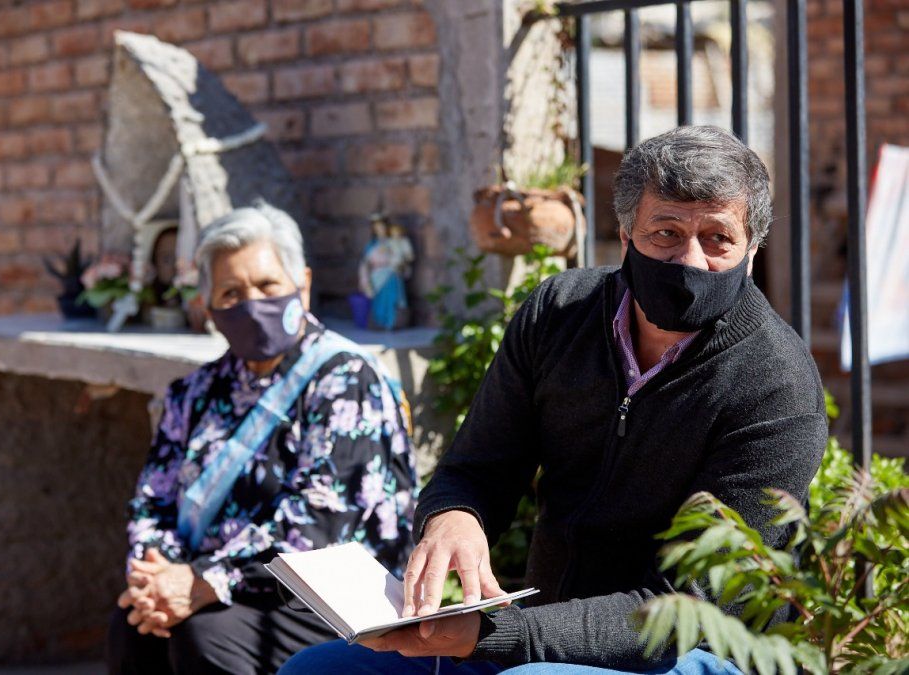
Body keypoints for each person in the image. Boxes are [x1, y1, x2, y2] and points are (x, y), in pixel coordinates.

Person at [280, 126, 827, 674]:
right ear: (625, 234)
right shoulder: (559, 311)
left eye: (718, 238)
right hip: (549, 630)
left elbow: (693, 610)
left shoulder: (776, 383)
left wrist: (496, 635)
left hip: (699, 652)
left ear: (751, 251)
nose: (690, 260)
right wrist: (453, 517)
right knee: (319, 670)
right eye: (665, 232)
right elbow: (476, 467)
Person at [108, 201, 418, 675]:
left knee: (208, 637)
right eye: (231, 293)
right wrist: (159, 577)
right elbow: (153, 499)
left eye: (268, 285)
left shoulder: (344, 379)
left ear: (303, 287)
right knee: (135, 623)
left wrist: (204, 581)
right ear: (209, 308)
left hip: (324, 599)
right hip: (209, 585)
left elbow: (319, 523)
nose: (252, 303)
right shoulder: (195, 392)